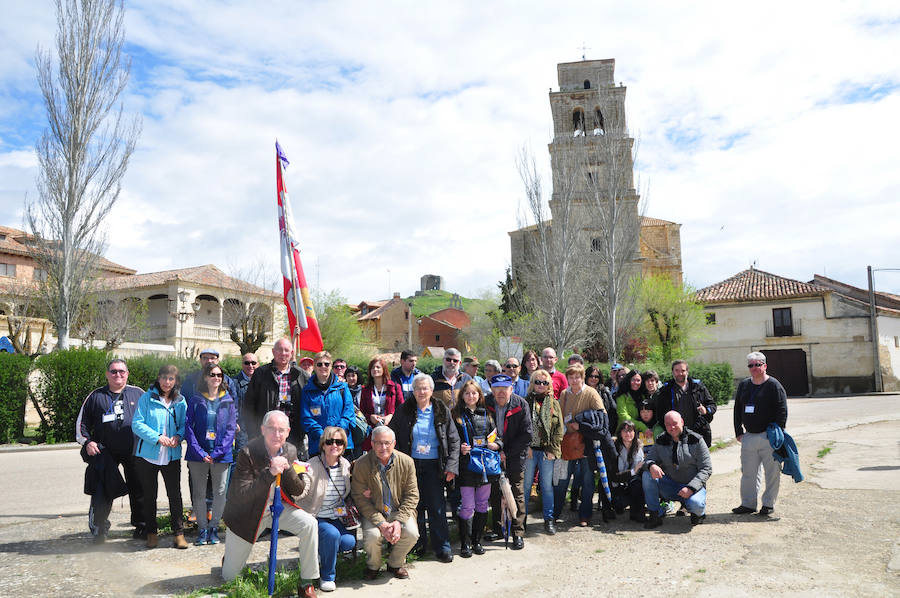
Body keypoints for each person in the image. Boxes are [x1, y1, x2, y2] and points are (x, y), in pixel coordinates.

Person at [221, 411, 320, 597]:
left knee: (310, 524)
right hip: (247, 516)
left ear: (288, 432)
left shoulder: (290, 450)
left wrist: (288, 468)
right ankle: (229, 559)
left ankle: (307, 581)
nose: (277, 435)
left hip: (277, 510)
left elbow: (298, 491)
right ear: (263, 430)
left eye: (281, 430)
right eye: (272, 429)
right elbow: (241, 495)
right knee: (229, 578)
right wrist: (270, 473)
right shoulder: (247, 452)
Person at [389, 373, 460, 562]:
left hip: (435, 465)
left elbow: (453, 438)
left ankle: (442, 547)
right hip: (410, 466)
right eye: (418, 388)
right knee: (415, 507)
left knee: (437, 508)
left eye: (425, 388)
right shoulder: (404, 409)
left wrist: (451, 466)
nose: (421, 391)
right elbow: (392, 438)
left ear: (431, 390)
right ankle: (417, 546)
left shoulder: (440, 409)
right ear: (413, 390)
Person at [75, 358, 145, 542]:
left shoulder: (139, 394)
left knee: (140, 488)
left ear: (127, 374)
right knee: (102, 490)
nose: (118, 375)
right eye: (113, 371)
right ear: (107, 374)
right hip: (104, 452)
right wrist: (87, 442)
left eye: (122, 371)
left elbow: (153, 418)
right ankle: (99, 528)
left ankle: (142, 526)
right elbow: (81, 424)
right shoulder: (95, 396)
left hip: (134, 449)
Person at [351, 426, 420, 581]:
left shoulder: (407, 462)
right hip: (374, 511)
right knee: (373, 536)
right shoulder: (362, 464)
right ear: (372, 444)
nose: (383, 447)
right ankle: (373, 566)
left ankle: (395, 564)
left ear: (394, 443)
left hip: (398, 510)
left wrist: (398, 520)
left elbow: (412, 495)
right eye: (379, 443)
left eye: (387, 443)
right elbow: (359, 498)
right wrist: (381, 523)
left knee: (411, 533)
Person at [131, 365, 189, 549]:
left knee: (175, 496)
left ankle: (178, 534)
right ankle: (151, 533)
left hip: (171, 456)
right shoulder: (146, 398)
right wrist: (157, 438)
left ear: (176, 381)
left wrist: (178, 437)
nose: (167, 382)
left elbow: (184, 425)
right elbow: (137, 424)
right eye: (164, 378)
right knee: (149, 496)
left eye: (171, 379)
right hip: (148, 456)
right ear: (158, 378)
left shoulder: (180, 401)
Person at [553, 364, 615, 526]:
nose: (574, 380)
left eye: (577, 377)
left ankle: (585, 515)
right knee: (562, 481)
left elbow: (603, 420)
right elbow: (558, 419)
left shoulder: (591, 393)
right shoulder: (565, 394)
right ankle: (554, 513)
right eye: (571, 377)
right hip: (568, 444)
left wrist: (581, 426)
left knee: (587, 482)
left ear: (582, 377)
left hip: (586, 444)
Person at [297, 426, 355, 593]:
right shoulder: (312, 465)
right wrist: (297, 483)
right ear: (323, 445)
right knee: (332, 535)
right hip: (317, 516)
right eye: (330, 441)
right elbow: (303, 489)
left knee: (348, 542)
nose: (334, 445)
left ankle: (323, 552)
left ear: (344, 446)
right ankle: (327, 576)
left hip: (337, 517)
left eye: (339, 442)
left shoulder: (346, 465)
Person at [185, 362, 237, 545]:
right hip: (197, 455)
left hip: (221, 455)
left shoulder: (228, 400)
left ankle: (214, 527)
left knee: (220, 492)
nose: (216, 378)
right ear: (206, 377)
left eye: (219, 375)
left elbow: (231, 429)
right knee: (198, 493)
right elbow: (188, 428)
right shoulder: (195, 399)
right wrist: (199, 452)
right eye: (212, 375)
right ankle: (202, 529)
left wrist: (217, 452)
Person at [732, 351, 789, 517]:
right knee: (748, 473)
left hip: (769, 437)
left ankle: (768, 504)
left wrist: (778, 433)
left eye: (758, 364)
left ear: (765, 366)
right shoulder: (744, 385)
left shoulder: (774, 385)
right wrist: (738, 432)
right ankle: (748, 504)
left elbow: (782, 411)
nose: (754, 368)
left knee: (772, 473)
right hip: (748, 436)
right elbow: (737, 409)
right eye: (751, 365)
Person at [451, 380, 498, 557]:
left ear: (480, 396)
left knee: (482, 505)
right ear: (462, 396)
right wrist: (460, 449)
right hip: (466, 467)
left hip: (486, 466)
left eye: (474, 393)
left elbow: (496, 438)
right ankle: (465, 543)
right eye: (467, 393)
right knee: (467, 506)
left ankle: (477, 541)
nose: (471, 396)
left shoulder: (487, 415)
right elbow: (450, 441)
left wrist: (496, 445)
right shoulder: (456, 416)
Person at [485, 374, 532, 549]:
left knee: (516, 493)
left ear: (511, 389)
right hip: (492, 455)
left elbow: (527, 435)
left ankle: (518, 533)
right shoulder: (486, 403)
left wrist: (507, 452)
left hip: (515, 456)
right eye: (497, 389)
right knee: (495, 493)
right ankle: (499, 529)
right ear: (492, 389)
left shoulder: (521, 404)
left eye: (504, 389)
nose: (500, 393)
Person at [642, 411, 712, 528]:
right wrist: (651, 465)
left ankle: (698, 513)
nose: (671, 427)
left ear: (682, 422)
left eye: (675, 423)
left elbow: (706, 468)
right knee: (647, 474)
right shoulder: (661, 440)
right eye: (668, 424)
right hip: (670, 486)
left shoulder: (696, 440)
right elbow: (648, 460)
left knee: (696, 505)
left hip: (691, 487)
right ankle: (655, 514)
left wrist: (691, 488)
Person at [244, 337, 310, 457]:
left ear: (291, 353)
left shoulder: (301, 375)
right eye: (279, 350)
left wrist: (302, 433)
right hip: (267, 433)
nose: (283, 353)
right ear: (273, 352)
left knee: (290, 470)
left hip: (293, 434)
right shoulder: (261, 374)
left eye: (286, 350)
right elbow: (249, 405)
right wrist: (253, 434)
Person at [521, 369, 563, 535]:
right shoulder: (525, 401)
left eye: (544, 383)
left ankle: (549, 520)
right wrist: (527, 447)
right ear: (532, 383)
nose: (541, 385)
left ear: (549, 385)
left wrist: (552, 449)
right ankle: (521, 520)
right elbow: (521, 427)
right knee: (525, 486)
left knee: (546, 487)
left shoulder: (554, 403)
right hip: (530, 451)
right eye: (537, 382)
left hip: (547, 452)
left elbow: (559, 429)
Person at [301, 351, 355, 458]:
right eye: (319, 364)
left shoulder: (343, 388)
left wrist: (336, 434)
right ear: (314, 367)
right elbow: (306, 418)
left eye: (327, 364)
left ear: (331, 366)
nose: (323, 367)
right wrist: (323, 435)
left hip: (342, 444)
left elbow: (349, 413)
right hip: (318, 445)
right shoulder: (307, 391)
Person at [655, 360, 717, 447]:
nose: (680, 373)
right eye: (677, 371)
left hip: (698, 432)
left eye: (683, 370)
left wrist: (706, 410)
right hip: (676, 435)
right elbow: (660, 413)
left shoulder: (698, 386)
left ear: (687, 371)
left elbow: (712, 405)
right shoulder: (666, 390)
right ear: (672, 372)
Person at [359, 357, 403, 450]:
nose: (375, 369)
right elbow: (362, 411)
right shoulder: (365, 390)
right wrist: (370, 417)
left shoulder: (395, 387)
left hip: (390, 428)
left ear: (384, 369)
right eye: (372, 368)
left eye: (378, 367)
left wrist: (391, 416)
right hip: (372, 430)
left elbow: (401, 408)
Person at [610, 420, 646, 523]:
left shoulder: (639, 447)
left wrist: (635, 472)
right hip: (617, 485)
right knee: (618, 503)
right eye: (625, 431)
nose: (628, 434)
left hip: (632, 482)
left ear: (635, 433)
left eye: (630, 431)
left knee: (637, 484)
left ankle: (637, 513)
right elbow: (614, 476)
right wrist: (633, 471)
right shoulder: (614, 448)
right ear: (620, 433)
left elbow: (641, 468)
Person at [230, 353, 258, 475]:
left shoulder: (262, 381)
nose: (250, 366)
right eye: (247, 363)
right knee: (239, 462)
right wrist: (233, 423)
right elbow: (230, 406)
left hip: (259, 428)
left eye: (253, 363)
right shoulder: (233, 383)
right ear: (242, 364)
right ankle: (232, 493)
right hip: (241, 429)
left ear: (258, 364)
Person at [615, 370, 650, 434]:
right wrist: (642, 427)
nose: (635, 383)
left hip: (642, 432)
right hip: (625, 431)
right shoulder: (622, 396)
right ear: (629, 380)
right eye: (633, 380)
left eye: (638, 380)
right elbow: (623, 416)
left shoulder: (643, 396)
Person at [586, 365, 617, 435]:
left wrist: (608, 429)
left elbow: (613, 410)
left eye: (596, 376)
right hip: (586, 429)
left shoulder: (605, 391)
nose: (593, 378)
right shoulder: (581, 391)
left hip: (603, 428)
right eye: (591, 376)